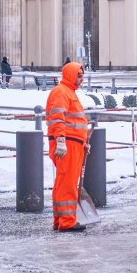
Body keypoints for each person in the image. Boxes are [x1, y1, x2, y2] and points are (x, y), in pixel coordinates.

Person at [46, 62, 91, 232]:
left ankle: (60, 219)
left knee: (63, 181)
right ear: (71, 75)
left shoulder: (67, 92)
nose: (81, 80)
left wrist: (83, 142)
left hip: (73, 143)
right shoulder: (61, 92)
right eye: (79, 76)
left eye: (82, 76)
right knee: (68, 183)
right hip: (68, 144)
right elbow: (58, 118)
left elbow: (74, 121)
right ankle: (67, 221)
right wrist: (61, 140)